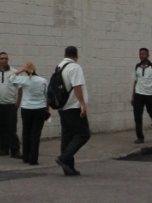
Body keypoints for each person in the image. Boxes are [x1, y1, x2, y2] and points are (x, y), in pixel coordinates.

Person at [54, 46, 91, 176]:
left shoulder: (60, 66)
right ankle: (63, 158)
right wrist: (82, 104)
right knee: (83, 134)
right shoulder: (75, 67)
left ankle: (69, 167)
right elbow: (77, 87)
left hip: (62, 107)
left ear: (65, 54)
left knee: (67, 136)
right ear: (76, 55)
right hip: (73, 107)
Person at [10, 62, 49, 166]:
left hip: (26, 108)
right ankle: (33, 159)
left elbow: (11, 77)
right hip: (40, 108)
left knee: (26, 132)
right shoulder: (43, 81)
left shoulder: (24, 80)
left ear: (26, 71)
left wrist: (21, 70)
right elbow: (47, 96)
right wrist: (47, 109)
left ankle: (26, 156)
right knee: (35, 134)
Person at [0, 52, 21, 158]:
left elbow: (20, 88)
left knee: (11, 128)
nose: (4, 60)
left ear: (8, 60)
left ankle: (15, 150)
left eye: (6, 58)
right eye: (2, 58)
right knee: (1, 128)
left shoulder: (14, 72)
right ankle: (4, 149)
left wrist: (17, 103)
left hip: (10, 105)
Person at [132, 48, 152, 144]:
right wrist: (133, 96)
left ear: (148, 55)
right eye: (140, 54)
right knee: (137, 116)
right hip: (139, 95)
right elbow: (135, 81)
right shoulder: (137, 67)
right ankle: (140, 137)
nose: (142, 56)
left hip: (150, 95)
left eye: (144, 54)